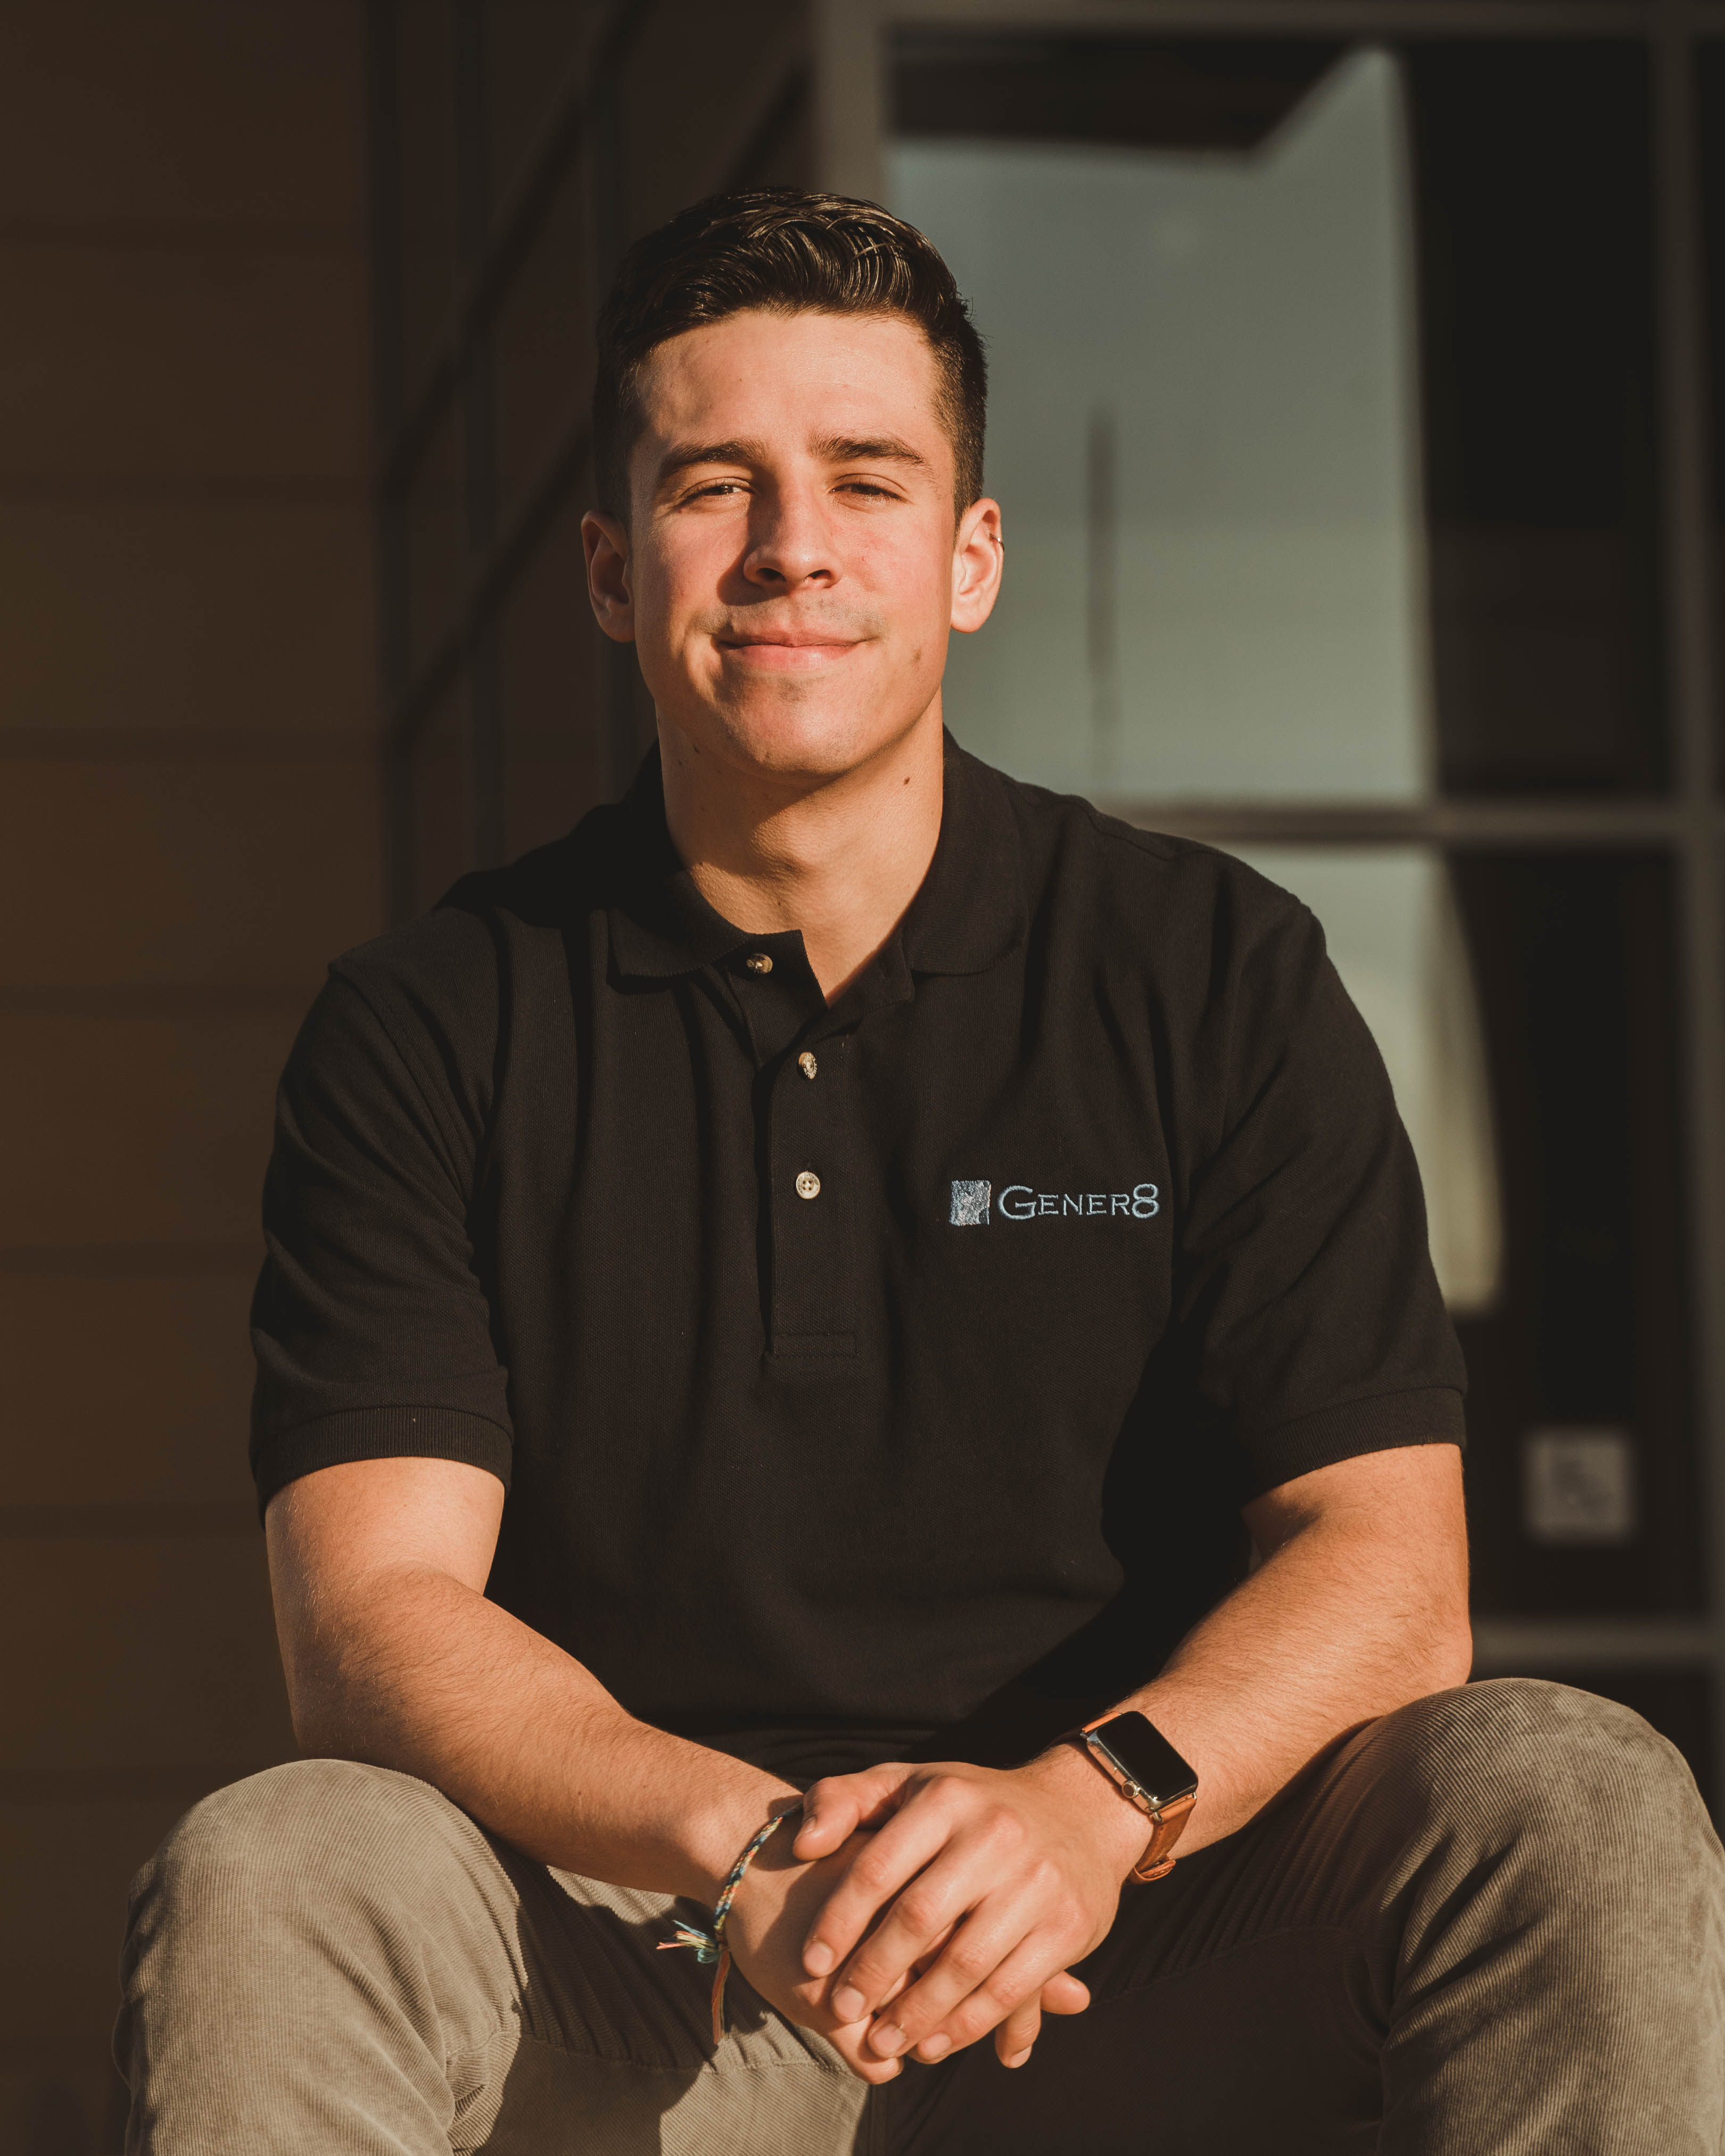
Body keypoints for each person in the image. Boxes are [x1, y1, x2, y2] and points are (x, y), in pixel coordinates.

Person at [117, 189, 1723, 2154]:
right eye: (720, 486)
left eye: (865, 482)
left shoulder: (1211, 972)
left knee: (1565, 1783)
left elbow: (1389, 1567)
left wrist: (1084, 1798)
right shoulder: (434, 1023)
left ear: (968, 559)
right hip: (660, 1957)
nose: (795, 547)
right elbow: (371, 1617)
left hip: (1136, 1929)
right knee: (286, 1857)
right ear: (614, 574)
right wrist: (748, 1838)